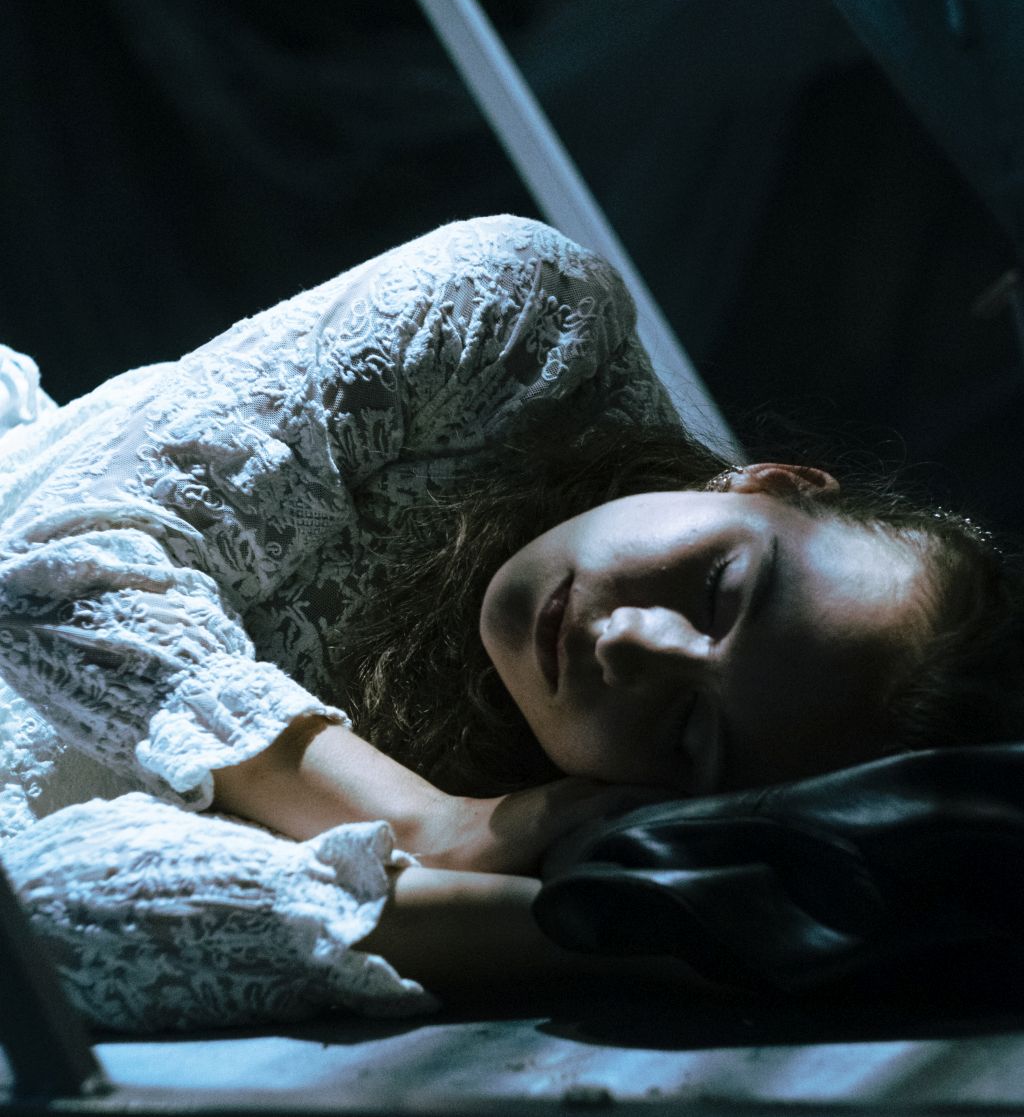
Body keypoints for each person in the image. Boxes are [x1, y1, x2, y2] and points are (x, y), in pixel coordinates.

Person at [0, 215, 1019, 1030]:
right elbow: (52, 563)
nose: (632, 646)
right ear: (769, 483)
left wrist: (626, 921)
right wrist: (429, 825)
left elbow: (33, 908)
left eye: (686, 734)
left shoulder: (543, 819)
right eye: (719, 590)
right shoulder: (529, 330)